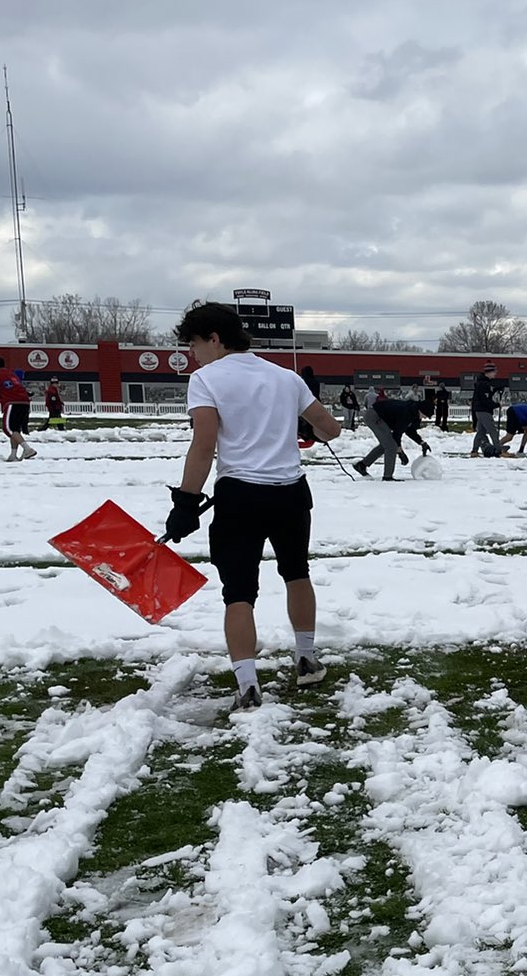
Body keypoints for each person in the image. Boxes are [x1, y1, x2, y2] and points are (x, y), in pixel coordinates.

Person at [163, 302, 341, 710]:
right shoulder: (286, 377)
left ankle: (247, 684)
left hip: (241, 495)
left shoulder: (206, 379)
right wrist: (294, 424)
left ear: (214, 338)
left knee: (239, 593)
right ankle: (307, 658)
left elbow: (204, 444)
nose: (193, 354)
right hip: (291, 493)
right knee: (297, 572)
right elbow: (329, 429)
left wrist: (186, 502)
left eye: (194, 344)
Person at [355, 391, 430, 479]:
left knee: (387, 444)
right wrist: (400, 452)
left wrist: (421, 442)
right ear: (421, 410)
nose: (425, 418)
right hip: (374, 416)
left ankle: (362, 465)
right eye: (425, 415)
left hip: (380, 416)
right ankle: (387, 477)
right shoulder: (407, 411)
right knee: (391, 446)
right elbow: (397, 434)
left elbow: (410, 430)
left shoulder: (415, 414)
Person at [0, 356, 35, 461]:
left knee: (8, 429)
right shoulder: (11, 374)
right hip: (24, 402)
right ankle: (13, 455)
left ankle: (27, 449)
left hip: (13, 403)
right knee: (15, 430)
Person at [470, 367, 505, 457]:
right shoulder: (483, 384)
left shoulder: (484, 383)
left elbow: (489, 393)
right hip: (483, 410)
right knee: (492, 430)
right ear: (488, 373)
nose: (495, 374)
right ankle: (498, 450)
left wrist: (496, 389)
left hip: (481, 410)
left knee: (481, 432)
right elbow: (485, 400)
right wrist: (497, 405)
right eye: (494, 372)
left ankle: (474, 451)